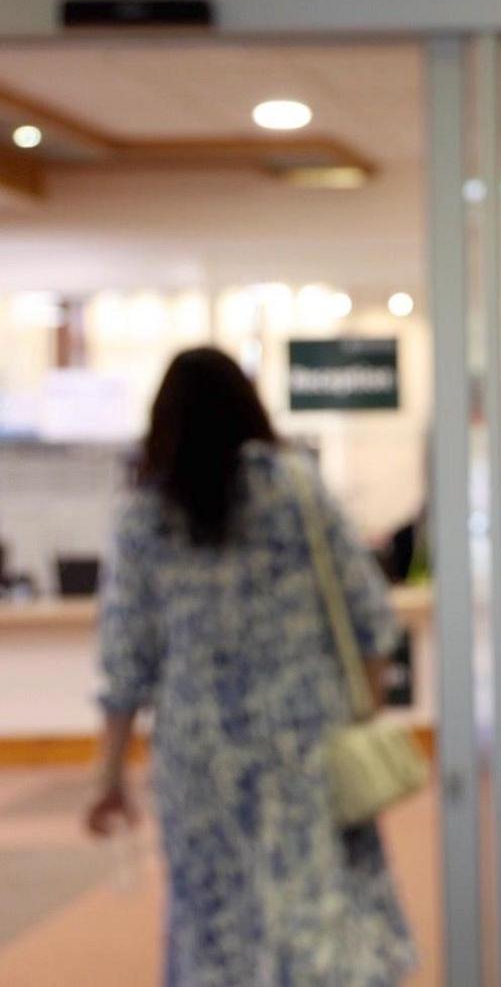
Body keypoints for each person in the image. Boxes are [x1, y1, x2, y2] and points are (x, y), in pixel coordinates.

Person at [82, 347, 415, 985]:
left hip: (197, 757)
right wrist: (360, 712)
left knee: (213, 922)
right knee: (316, 904)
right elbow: (373, 619)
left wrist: (108, 775)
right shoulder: (297, 489)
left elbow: (124, 662)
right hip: (306, 740)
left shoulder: (143, 515)